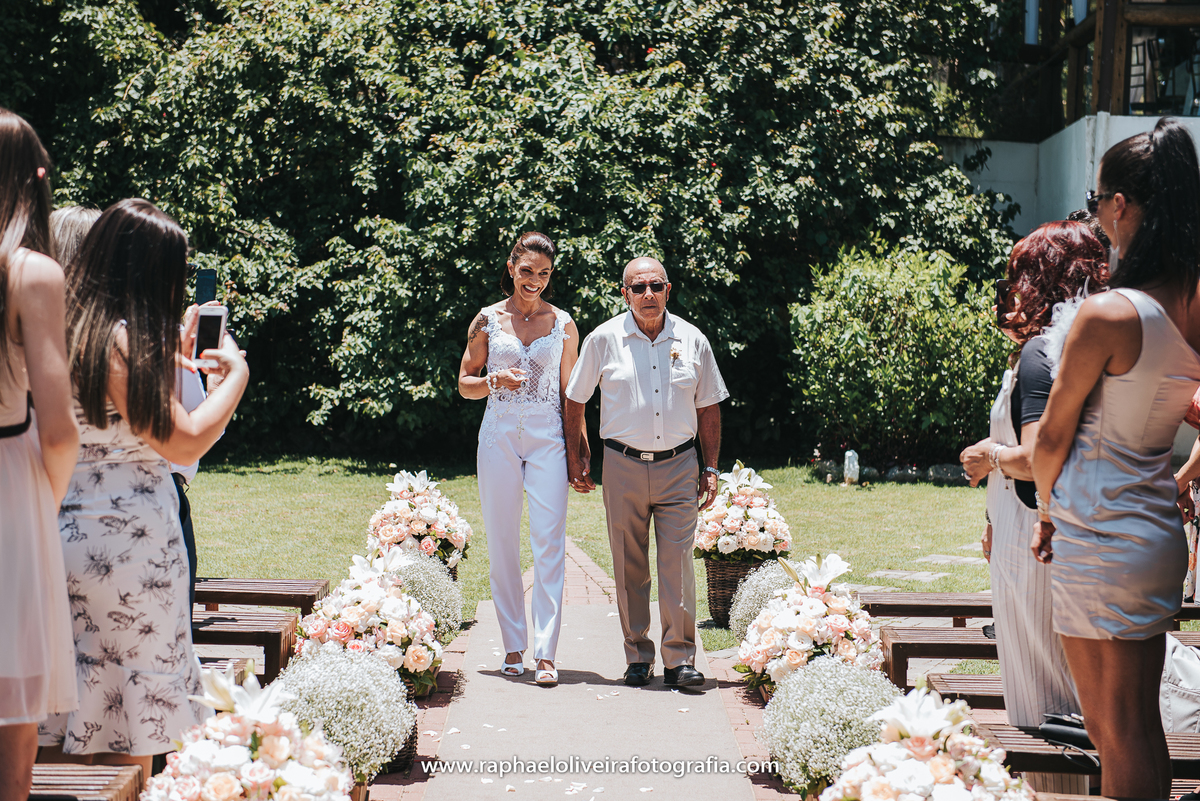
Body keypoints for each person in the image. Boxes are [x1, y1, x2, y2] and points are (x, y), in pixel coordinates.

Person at [38, 199, 249, 779]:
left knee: (72, 706)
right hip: (129, 551)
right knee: (133, 715)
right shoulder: (120, 340)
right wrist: (235, 379)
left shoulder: (62, 333)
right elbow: (184, 440)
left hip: (68, 532)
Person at [1032, 117, 1200, 798]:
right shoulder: (1192, 303)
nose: (1096, 215)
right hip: (1155, 531)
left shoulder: (1109, 315)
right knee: (1138, 725)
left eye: (1095, 201)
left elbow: (1050, 437)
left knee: (1111, 728)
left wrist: (1046, 510)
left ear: (1120, 205)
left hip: (1097, 531)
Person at [959, 220, 1108, 794]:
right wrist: (992, 516)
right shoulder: (1082, 350)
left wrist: (990, 457)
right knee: (1063, 692)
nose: (1013, 287)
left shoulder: (1043, 356)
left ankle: (1054, 792)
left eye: (1021, 273)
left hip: (1036, 543)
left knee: (1041, 698)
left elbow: (1040, 456)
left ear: (1047, 277)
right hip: (1032, 527)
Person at [564, 256, 727, 687]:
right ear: (625, 294)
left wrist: (710, 466)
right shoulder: (603, 339)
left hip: (679, 465)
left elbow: (709, 406)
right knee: (628, 565)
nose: (648, 294)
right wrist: (575, 456)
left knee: (677, 565)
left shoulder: (692, 339)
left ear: (668, 290)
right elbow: (576, 398)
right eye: (638, 287)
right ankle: (638, 655)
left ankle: (680, 660)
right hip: (622, 465)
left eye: (656, 285)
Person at [0, 107, 80, 801]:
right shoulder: (31, 273)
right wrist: (42, 502)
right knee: (12, 729)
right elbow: (59, 430)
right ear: (35, 178)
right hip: (10, 484)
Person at [458, 232, 580, 686]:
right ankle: (513, 645)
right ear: (511, 268)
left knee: (549, 543)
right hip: (499, 437)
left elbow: (572, 395)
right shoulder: (486, 320)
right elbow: (464, 383)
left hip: (549, 438)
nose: (534, 280)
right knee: (503, 541)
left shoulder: (564, 323)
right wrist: (494, 381)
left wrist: (579, 452)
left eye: (544, 273)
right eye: (526, 270)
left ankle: (546, 653)